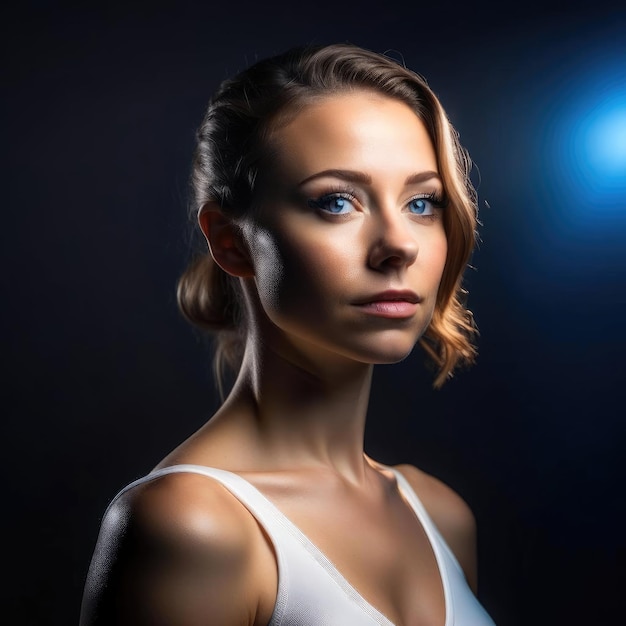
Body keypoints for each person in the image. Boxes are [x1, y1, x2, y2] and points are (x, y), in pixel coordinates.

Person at [79, 42, 496, 626]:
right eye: (336, 202)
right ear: (231, 241)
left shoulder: (440, 514)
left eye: (421, 202)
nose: (399, 244)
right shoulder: (195, 526)